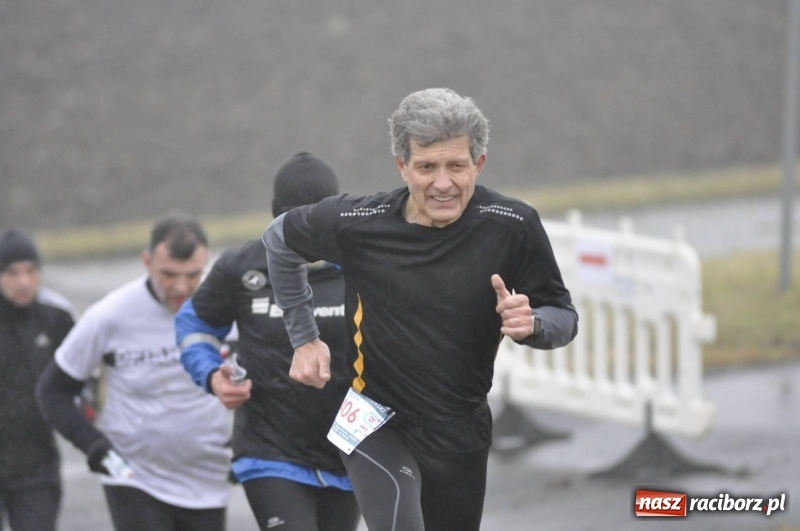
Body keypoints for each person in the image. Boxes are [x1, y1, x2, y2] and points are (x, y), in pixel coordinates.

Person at [262, 88, 579, 531]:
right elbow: (278, 240)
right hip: (375, 422)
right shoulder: (360, 222)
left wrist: (536, 323)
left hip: (461, 431)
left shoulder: (512, 225)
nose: (443, 184)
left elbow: (564, 315)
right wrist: (304, 338)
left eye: (457, 166)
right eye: (427, 167)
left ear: (479, 164)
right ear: (402, 166)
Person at [176, 152, 361, 531]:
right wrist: (211, 375)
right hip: (270, 452)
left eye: (315, 221)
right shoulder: (241, 268)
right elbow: (193, 325)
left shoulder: (364, 265)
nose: (305, 235)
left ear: (334, 215)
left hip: (350, 449)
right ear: (276, 216)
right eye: (293, 221)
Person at [36, 212, 232, 531]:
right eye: (169, 274)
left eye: (193, 274)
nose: (181, 286)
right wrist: (94, 446)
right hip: (133, 477)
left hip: (207, 478)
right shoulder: (109, 316)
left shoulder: (225, 310)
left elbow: (265, 379)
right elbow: (52, 390)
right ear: (147, 262)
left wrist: (247, 444)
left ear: (206, 262)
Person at [0, 229, 75, 531]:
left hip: (36, 462)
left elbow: (88, 374)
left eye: (31, 271)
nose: (23, 282)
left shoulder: (57, 317)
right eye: (12, 272)